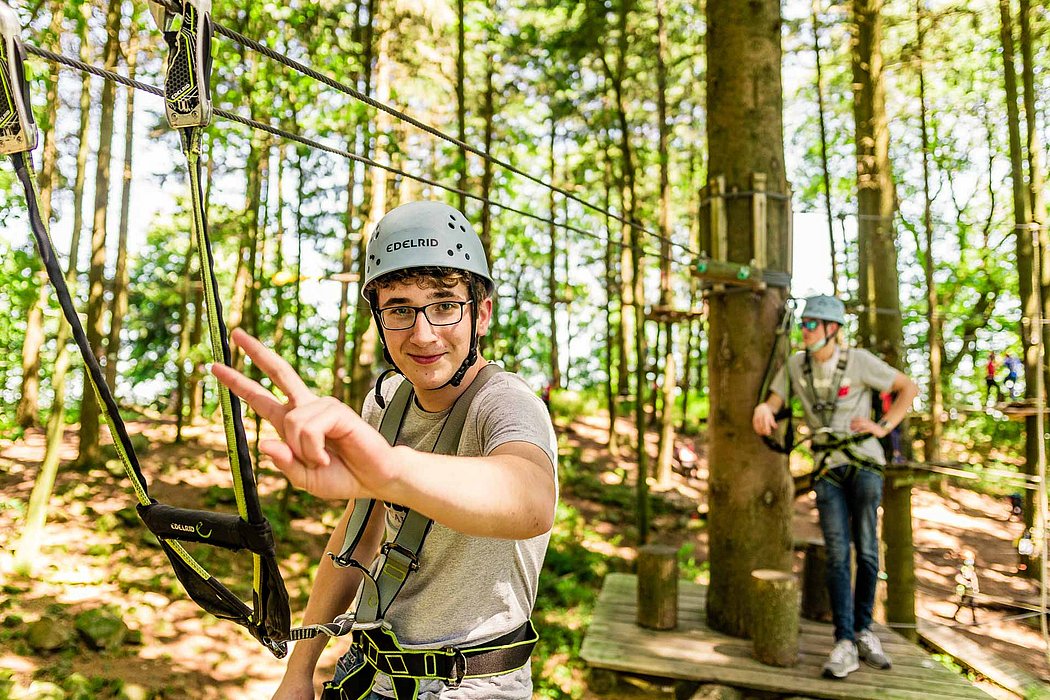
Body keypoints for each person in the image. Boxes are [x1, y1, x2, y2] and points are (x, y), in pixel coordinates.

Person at [212, 200, 558, 699]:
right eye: (399, 309)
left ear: (480, 314)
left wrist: (391, 469)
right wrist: (299, 670)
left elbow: (530, 501)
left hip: (471, 686)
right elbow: (357, 536)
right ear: (378, 318)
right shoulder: (387, 404)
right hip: (370, 672)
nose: (423, 334)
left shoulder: (506, 405)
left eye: (444, 305)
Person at [752, 294, 918, 680]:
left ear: (832, 329)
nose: (804, 331)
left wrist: (883, 427)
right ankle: (844, 640)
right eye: (803, 324)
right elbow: (775, 400)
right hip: (827, 468)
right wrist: (765, 408)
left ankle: (864, 631)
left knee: (868, 551)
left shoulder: (858, 361)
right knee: (837, 554)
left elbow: (907, 387)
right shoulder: (796, 366)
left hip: (863, 464)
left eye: (811, 325)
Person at [951, 550, 979, 624]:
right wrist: (966, 583)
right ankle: (955, 615)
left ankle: (974, 620)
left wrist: (975, 587)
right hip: (965, 589)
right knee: (963, 602)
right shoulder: (963, 568)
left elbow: (973, 578)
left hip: (970, 589)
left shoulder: (970, 568)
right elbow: (959, 577)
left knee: (971, 604)